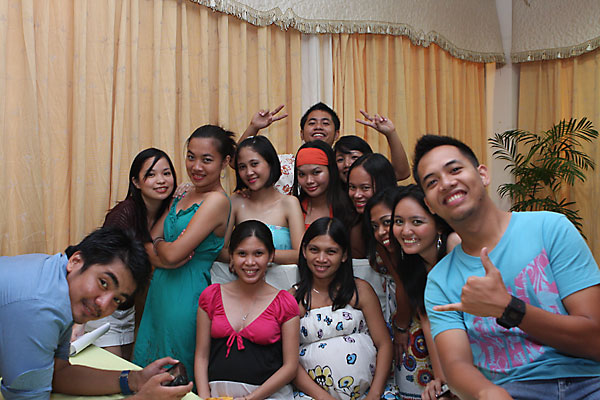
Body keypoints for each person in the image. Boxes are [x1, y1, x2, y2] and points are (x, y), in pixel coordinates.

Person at [412, 134, 600, 399]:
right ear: (429, 205)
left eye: (454, 170)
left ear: (483, 175)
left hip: (588, 381)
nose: (446, 183)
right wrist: (488, 393)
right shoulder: (441, 281)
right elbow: (456, 365)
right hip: (511, 390)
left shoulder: (550, 228)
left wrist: (509, 308)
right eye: (432, 182)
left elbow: (595, 340)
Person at [0, 227, 193, 399]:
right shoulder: (41, 308)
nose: (103, 304)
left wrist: (136, 380)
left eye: (117, 300)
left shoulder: (57, 278)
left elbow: (58, 373)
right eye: (103, 283)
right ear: (76, 261)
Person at [133, 125, 235, 386]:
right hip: (159, 292)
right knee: (146, 372)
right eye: (191, 157)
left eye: (206, 160)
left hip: (186, 296)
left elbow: (172, 253)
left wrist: (162, 248)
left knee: (175, 374)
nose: (196, 166)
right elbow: (148, 242)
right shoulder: (184, 193)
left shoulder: (217, 201)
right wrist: (162, 247)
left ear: (225, 162)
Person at [80, 148, 178, 360]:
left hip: (130, 308)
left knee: (129, 366)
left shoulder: (169, 213)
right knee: (114, 370)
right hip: (104, 305)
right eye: (151, 175)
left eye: (166, 173)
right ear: (136, 182)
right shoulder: (124, 214)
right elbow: (103, 262)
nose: (161, 180)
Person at [195, 220, 300, 399]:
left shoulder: (285, 302)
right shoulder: (211, 296)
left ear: (271, 256)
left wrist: (248, 399)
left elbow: (290, 367)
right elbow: (201, 356)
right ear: (231, 256)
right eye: (242, 254)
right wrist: (205, 397)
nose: (250, 262)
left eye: (258, 253)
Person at [292, 217, 393, 400]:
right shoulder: (294, 298)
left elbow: (384, 344)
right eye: (314, 250)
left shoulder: (360, 290)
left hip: (370, 394)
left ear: (344, 255)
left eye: (331, 251)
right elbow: (289, 361)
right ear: (304, 251)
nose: (321, 259)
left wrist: (375, 393)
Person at [238, 103, 410, 194]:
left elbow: (400, 173)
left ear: (336, 134)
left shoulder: (344, 164)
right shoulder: (284, 163)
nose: (318, 127)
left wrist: (390, 134)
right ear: (301, 133)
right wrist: (254, 127)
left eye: (325, 123)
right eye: (312, 123)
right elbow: (237, 163)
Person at [389, 184, 460, 400]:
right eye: (399, 222)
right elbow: (428, 321)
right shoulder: (412, 264)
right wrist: (442, 383)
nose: (405, 231)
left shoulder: (454, 245)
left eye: (417, 222)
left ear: (438, 225)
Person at [224, 136, 304, 265]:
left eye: (254, 164)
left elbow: (300, 254)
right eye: (242, 167)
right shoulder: (235, 202)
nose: (249, 172)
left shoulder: (289, 203)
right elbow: (220, 251)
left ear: (271, 163)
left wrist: (259, 255)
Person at [292, 140, 355, 230]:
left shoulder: (349, 208)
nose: (309, 181)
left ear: (331, 171)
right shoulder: (292, 208)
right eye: (302, 174)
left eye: (316, 172)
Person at [347, 153, 397, 258]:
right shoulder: (356, 227)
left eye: (365, 188)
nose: (357, 195)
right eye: (352, 187)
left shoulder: (402, 218)